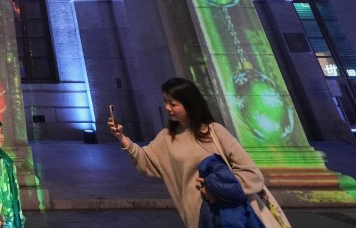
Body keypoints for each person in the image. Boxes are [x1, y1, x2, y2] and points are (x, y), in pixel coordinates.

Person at [108, 77, 278, 228]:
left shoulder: (214, 132)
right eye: (165, 101)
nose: (167, 107)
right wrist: (122, 137)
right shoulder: (167, 136)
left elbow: (251, 173)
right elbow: (147, 161)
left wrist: (217, 190)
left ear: (189, 104)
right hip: (195, 214)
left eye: (173, 104)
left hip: (229, 214)